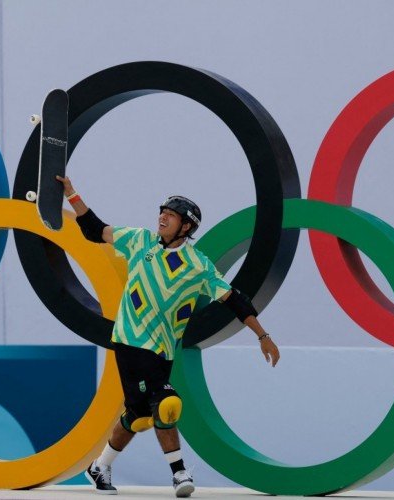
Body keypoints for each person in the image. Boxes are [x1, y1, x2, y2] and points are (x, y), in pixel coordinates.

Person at [55, 175, 279, 497]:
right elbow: (95, 230)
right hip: (131, 340)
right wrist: (72, 193)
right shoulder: (140, 241)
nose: (162, 217)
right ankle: (179, 473)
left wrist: (263, 336)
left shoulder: (198, 266)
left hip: (163, 350)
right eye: (162, 211)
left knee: (139, 414)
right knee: (166, 403)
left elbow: (235, 300)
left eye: (170, 215)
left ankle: (100, 465)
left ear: (186, 227)